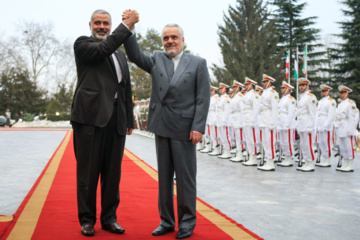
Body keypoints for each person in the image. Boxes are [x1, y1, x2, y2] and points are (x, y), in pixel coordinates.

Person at [124, 21, 210, 239]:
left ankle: (187, 222)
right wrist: (129, 29)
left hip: (184, 128)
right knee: (164, 177)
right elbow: (134, 55)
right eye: (166, 38)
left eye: (174, 37)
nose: (169, 41)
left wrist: (198, 126)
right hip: (162, 125)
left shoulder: (198, 63)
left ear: (183, 40)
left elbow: (203, 98)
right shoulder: (156, 59)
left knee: (185, 178)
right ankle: (166, 221)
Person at [71, 9, 139, 236]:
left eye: (106, 23)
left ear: (111, 26)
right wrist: (127, 26)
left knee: (112, 174)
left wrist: (129, 118)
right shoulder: (83, 45)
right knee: (88, 174)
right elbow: (103, 48)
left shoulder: (119, 55)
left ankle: (109, 218)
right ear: (90, 24)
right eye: (98, 23)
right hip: (90, 119)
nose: (102, 26)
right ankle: (87, 219)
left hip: (116, 120)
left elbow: (125, 87)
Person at [257, 74, 279, 171]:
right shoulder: (265, 93)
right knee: (265, 142)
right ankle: (267, 160)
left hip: (269, 119)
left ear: (269, 83)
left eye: (265, 82)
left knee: (270, 142)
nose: (263, 83)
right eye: (263, 81)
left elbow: (274, 109)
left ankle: (271, 162)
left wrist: (272, 123)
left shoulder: (273, 93)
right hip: (264, 119)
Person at [296, 78, 317, 172]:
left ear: (307, 86)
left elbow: (312, 113)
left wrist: (311, 126)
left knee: (309, 145)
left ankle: (311, 163)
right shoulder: (301, 97)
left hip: (308, 123)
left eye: (303, 85)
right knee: (303, 145)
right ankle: (306, 162)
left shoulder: (310, 97)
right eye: (300, 85)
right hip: (302, 123)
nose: (301, 87)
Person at [335, 85, 357, 172]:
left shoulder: (350, 104)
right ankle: (345, 163)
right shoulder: (340, 104)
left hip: (347, 127)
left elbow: (352, 118)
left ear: (347, 94)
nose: (340, 94)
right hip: (340, 127)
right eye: (340, 93)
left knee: (349, 146)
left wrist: (351, 130)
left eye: (342, 93)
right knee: (343, 147)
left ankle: (350, 164)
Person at [315, 84, 336, 167]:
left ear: (328, 92)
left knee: (327, 143)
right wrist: (317, 124)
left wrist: (326, 125)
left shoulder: (331, 101)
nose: (322, 93)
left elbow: (331, 115)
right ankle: (323, 158)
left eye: (324, 91)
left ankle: (327, 159)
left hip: (326, 125)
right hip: (320, 123)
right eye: (322, 91)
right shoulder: (320, 101)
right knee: (321, 143)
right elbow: (318, 114)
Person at [242, 77, 261, 166]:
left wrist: (254, 121)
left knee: (253, 139)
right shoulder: (247, 94)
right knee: (248, 139)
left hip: (251, 120)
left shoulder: (254, 94)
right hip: (246, 119)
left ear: (251, 85)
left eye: (246, 84)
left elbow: (256, 109)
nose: (245, 86)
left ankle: (254, 156)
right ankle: (250, 155)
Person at [277, 81, 296, 167]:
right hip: (281, 123)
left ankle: (290, 158)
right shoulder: (281, 99)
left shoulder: (291, 99)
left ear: (288, 89)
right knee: (283, 142)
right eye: (281, 88)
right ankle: (285, 157)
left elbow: (291, 113)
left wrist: (287, 124)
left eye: (283, 88)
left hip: (287, 124)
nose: (281, 89)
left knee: (288, 141)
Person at [229, 80, 246, 162]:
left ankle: (241, 153)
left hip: (239, 118)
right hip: (235, 118)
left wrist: (242, 121)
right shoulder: (235, 96)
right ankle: (238, 152)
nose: (233, 88)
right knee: (237, 136)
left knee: (240, 136)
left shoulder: (240, 97)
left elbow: (243, 110)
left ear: (239, 88)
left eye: (235, 87)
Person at [215, 83, 232, 159]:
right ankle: (225, 150)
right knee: (221, 136)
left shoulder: (226, 98)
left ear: (225, 89)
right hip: (219, 119)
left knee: (226, 136)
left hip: (223, 120)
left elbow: (227, 111)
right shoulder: (221, 98)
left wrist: (224, 121)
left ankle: (228, 151)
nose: (219, 90)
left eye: (221, 88)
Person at [201, 86, 219, 153]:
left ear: (214, 91)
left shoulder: (216, 98)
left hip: (214, 116)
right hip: (209, 116)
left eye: (211, 91)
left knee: (214, 133)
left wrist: (217, 118)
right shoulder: (211, 98)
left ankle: (216, 147)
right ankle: (209, 146)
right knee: (209, 132)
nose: (210, 92)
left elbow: (217, 109)